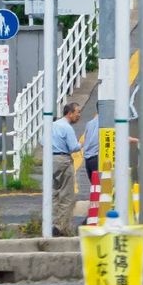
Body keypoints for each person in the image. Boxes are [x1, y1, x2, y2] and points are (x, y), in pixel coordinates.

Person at [50, 101, 83, 236]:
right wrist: (82, 144)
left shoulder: (52, 125)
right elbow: (73, 147)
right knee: (67, 195)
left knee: (54, 194)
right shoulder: (67, 128)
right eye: (77, 112)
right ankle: (60, 227)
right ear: (70, 113)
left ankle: (52, 223)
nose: (79, 115)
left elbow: (42, 141)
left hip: (50, 160)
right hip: (63, 160)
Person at [82, 113, 100, 184]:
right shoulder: (105, 123)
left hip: (88, 157)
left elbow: (85, 139)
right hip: (97, 157)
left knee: (94, 185)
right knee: (99, 185)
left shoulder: (89, 123)